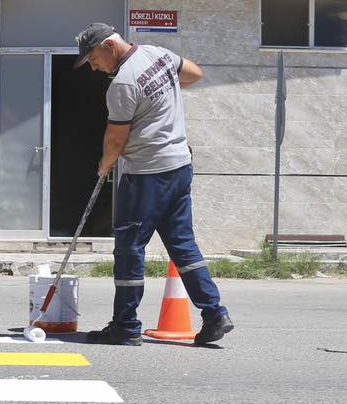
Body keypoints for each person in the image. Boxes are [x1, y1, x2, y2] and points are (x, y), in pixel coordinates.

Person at [75, 22, 234, 346]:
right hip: (179, 166)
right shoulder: (157, 55)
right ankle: (214, 313)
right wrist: (162, 101)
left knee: (129, 249)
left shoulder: (122, 83)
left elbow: (116, 139)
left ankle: (126, 325)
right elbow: (194, 74)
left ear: (109, 46)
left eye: (92, 58)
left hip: (147, 174)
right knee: (183, 246)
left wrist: (104, 166)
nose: (93, 66)